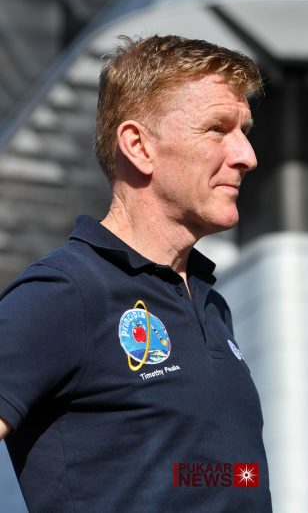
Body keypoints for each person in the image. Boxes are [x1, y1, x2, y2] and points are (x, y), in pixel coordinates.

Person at [0, 34, 272, 512]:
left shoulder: (211, 304)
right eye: (217, 129)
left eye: (244, 131)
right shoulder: (66, 292)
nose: (246, 156)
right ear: (138, 146)